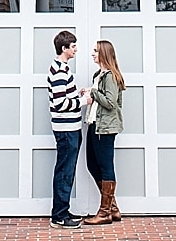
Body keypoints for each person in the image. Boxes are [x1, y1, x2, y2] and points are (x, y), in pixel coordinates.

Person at [81, 40, 126, 225]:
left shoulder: (110, 76)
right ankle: (113, 209)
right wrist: (91, 91)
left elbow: (110, 102)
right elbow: (100, 98)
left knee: (106, 166)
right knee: (92, 164)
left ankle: (105, 212)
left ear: (103, 54)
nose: (92, 54)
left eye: (95, 51)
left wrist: (93, 92)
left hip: (106, 128)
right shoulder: (98, 75)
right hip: (95, 125)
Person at [48, 30, 85, 229]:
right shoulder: (60, 71)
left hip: (70, 127)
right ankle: (60, 216)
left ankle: (62, 210)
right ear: (64, 48)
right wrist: (83, 101)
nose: (76, 49)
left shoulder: (61, 69)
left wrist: (75, 93)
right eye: (73, 46)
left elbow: (62, 96)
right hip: (66, 129)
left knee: (66, 169)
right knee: (65, 171)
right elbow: (60, 104)